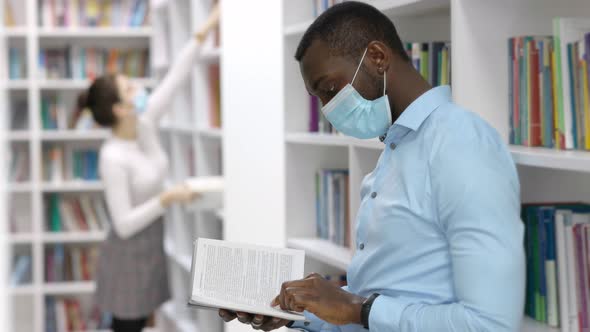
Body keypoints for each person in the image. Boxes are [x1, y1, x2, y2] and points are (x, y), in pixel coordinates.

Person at [219, 2, 524, 331]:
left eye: (330, 89)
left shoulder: (462, 143)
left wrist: (358, 309)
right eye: (319, 97)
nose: (328, 109)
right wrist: (300, 311)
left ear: (378, 58)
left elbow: (490, 324)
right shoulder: (397, 146)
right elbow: (384, 299)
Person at [80, 6, 220, 332]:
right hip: (127, 256)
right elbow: (124, 225)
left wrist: (208, 25)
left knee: (144, 320)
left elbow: (177, 76)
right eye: (130, 89)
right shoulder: (112, 157)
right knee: (128, 324)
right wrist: (167, 198)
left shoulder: (145, 122)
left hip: (153, 246)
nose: (140, 91)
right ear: (120, 109)